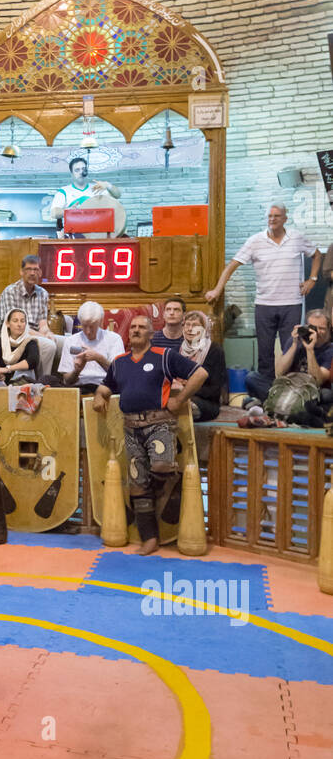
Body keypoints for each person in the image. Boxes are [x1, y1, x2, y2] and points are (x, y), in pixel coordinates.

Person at [93, 315, 208, 555]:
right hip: (130, 429)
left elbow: (200, 374)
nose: (135, 330)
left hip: (160, 425)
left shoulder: (164, 356)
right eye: (132, 327)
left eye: (141, 327)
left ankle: (155, 492)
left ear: (150, 333)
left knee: (163, 466)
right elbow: (107, 385)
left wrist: (180, 399)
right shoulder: (119, 362)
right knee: (137, 485)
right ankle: (150, 538)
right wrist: (99, 394)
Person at [206, 203, 321, 397]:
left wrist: (313, 279)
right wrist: (217, 289)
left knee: (291, 349)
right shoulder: (255, 241)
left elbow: (317, 255)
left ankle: (290, 395)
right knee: (265, 354)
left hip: (291, 303)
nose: (272, 219)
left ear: (285, 218)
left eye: (277, 216)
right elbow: (231, 266)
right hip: (264, 305)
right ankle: (266, 397)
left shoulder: (296, 238)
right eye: (269, 216)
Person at [49, 155, 123, 238]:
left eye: (83, 169)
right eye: (77, 170)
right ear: (72, 174)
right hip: (73, 235)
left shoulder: (97, 188)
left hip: (97, 234)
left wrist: (108, 185)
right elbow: (53, 213)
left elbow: (117, 195)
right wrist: (69, 211)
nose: (81, 172)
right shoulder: (64, 191)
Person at [59, 300, 124, 391]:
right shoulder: (71, 341)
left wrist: (98, 358)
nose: (88, 331)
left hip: (104, 386)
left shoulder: (114, 339)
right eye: (84, 326)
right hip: (79, 386)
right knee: (47, 380)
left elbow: (119, 375)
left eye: (92, 326)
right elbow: (67, 380)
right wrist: (77, 371)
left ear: (101, 322)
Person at [179, 310, 226, 421]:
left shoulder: (214, 350)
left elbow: (215, 390)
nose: (190, 329)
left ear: (204, 329)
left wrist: (189, 387)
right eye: (187, 325)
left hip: (205, 402)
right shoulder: (178, 349)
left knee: (183, 407)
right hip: (178, 396)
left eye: (195, 326)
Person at [0, 309, 41, 385]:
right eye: (15, 321)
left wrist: (7, 369)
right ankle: (2, 391)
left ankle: (12, 392)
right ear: (8, 324)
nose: (19, 324)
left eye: (22, 321)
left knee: (24, 370)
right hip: (1, 383)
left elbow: (32, 361)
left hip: (20, 386)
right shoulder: (2, 342)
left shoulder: (30, 342)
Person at [0, 254, 49, 334]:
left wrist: (48, 333)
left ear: (40, 273)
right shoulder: (10, 291)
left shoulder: (43, 293)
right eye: (28, 269)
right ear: (21, 272)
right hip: (14, 336)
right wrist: (41, 336)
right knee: (49, 345)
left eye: (35, 269)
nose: (32, 273)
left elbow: (43, 325)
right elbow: (15, 326)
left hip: (36, 335)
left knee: (62, 341)